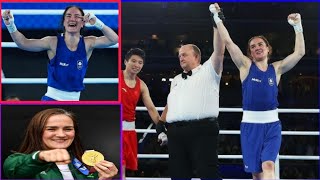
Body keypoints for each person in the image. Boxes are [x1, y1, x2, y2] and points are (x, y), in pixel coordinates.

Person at [210, 3, 305, 179]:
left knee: (269, 165)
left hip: (272, 126)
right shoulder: (245, 66)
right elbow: (229, 43)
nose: (257, 47)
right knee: (257, 175)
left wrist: (298, 27)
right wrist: (217, 17)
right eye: (253, 46)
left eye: (260, 44)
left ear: (268, 48)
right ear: (250, 53)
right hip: (250, 126)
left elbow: (299, 53)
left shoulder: (276, 69)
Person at [156, 7, 226, 179]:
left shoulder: (210, 70)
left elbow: (219, 50)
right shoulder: (177, 79)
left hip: (202, 130)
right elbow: (171, 103)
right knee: (178, 175)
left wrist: (216, 22)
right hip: (176, 133)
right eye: (179, 55)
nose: (180, 58)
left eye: (184, 55)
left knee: (208, 173)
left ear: (197, 57)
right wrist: (160, 124)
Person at [1, 5, 118, 101]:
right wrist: (10, 24)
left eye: (77, 16)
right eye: (68, 16)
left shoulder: (88, 43)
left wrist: (97, 23)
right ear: (64, 22)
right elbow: (23, 43)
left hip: (76, 100)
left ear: (83, 23)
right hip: (51, 98)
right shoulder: (52, 42)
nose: (72, 19)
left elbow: (114, 39)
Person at [3, 108, 118, 179]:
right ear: (37, 132)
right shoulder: (16, 161)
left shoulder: (84, 163)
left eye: (68, 129)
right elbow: (13, 169)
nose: (61, 134)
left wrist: (104, 179)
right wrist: (40, 157)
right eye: (51, 129)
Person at [121, 48, 166, 179]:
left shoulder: (142, 85)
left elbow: (151, 109)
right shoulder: (117, 78)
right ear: (125, 62)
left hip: (129, 131)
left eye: (140, 62)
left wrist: (161, 130)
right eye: (133, 61)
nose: (136, 65)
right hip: (112, 125)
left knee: (122, 170)